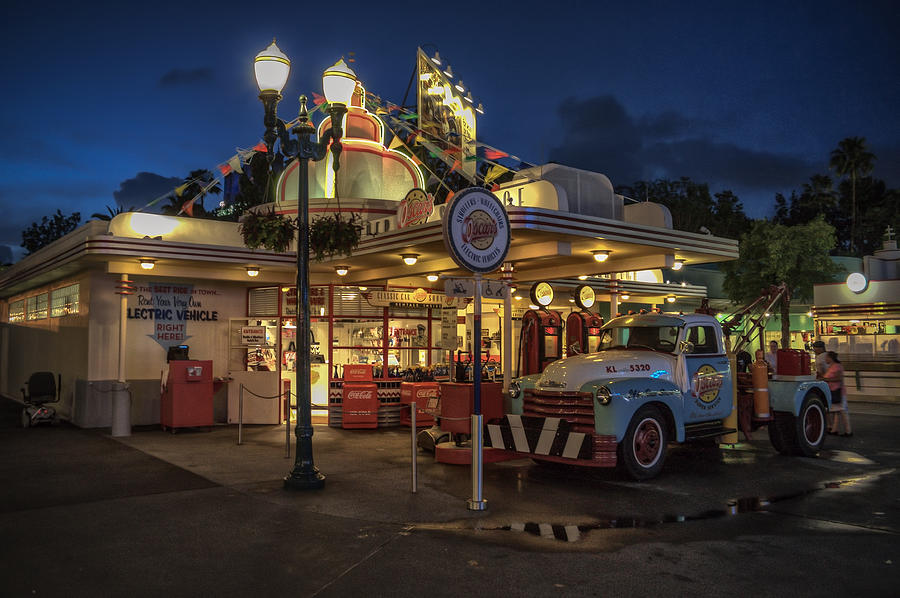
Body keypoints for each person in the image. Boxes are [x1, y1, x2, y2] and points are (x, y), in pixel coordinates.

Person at [819, 351, 853, 436]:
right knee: (837, 411)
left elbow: (839, 378)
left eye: (827, 357)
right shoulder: (832, 366)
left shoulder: (837, 367)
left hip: (838, 392)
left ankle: (848, 431)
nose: (825, 359)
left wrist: (826, 379)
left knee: (842, 411)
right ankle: (835, 430)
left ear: (831, 358)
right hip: (834, 391)